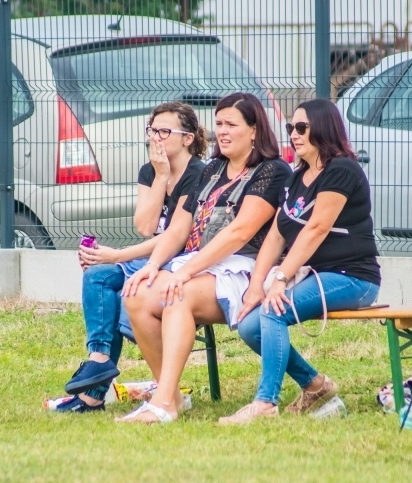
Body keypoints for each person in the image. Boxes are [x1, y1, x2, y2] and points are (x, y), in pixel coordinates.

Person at [118, 92, 292, 423]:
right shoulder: (213, 169)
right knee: (137, 294)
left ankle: (162, 405)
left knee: (178, 293)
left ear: (254, 130)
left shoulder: (272, 171)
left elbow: (239, 233)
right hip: (201, 265)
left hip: (245, 269)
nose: (222, 131)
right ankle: (171, 396)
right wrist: (153, 265)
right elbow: (178, 229)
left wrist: (184, 273)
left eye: (231, 125)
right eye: (219, 124)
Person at [218, 99, 381, 424]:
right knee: (250, 326)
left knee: (273, 311)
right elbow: (277, 235)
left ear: (324, 128)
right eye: (291, 127)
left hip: (353, 278)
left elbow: (317, 228)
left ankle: (265, 403)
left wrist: (280, 280)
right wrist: (256, 286)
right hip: (314, 276)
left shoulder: (341, 170)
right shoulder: (296, 178)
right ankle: (315, 384)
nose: (294, 134)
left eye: (302, 127)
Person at [53, 102, 207, 413]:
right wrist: (161, 177)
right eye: (152, 130)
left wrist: (117, 255)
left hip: (182, 261)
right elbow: (145, 227)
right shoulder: (150, 171)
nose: (155, 138)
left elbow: (175, 237)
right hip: (154, 257)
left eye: (164, 131)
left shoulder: (199, 173)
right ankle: (99, 361)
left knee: (117, 289)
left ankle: (99, 395)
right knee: (97, 275)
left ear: (187, 138)